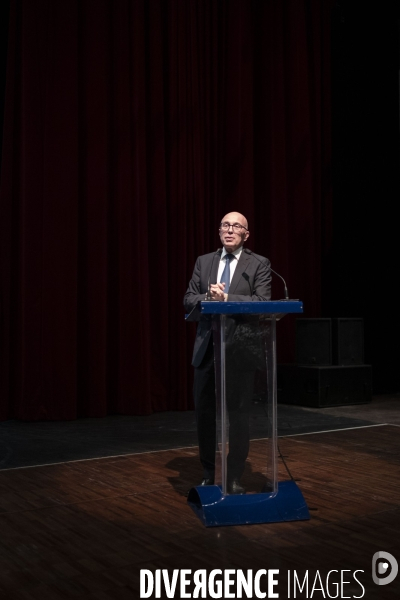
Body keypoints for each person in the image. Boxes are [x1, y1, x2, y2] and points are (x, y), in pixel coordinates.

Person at [184, 212, 271, 494]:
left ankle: (234, 475)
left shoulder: (258, 264)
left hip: (239, 352)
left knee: (239, 416)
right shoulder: (204, 262)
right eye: (224, 225)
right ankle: (210, 472)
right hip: (207, 352)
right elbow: (188, 300)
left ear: (246, 234)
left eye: (236, 226)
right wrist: (207, 297)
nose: (229, 230)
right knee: (205, 415)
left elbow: (262, 301)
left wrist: (228, 299)